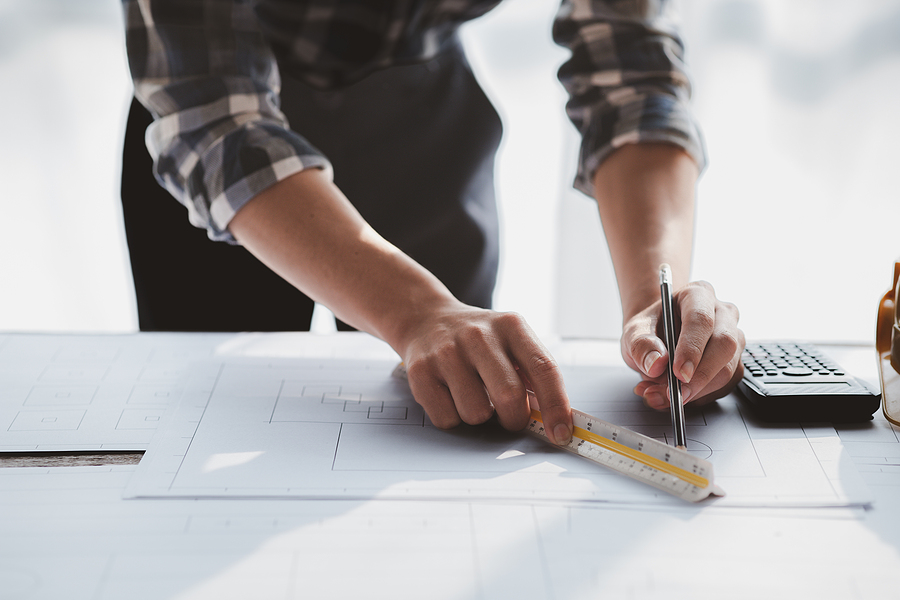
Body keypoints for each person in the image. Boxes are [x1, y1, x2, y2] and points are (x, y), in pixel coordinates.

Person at [120, 0, 745, 446]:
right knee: (208, 430)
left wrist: (651, 299)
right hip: (222, 141)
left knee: (461, 412)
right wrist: (416, 311)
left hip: (423, 115)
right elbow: (217, 121)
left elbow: (633, 77)